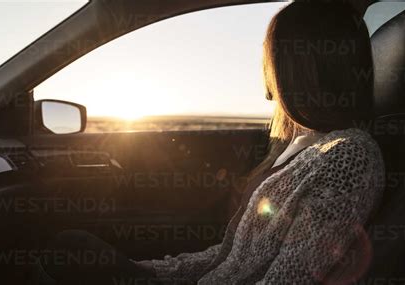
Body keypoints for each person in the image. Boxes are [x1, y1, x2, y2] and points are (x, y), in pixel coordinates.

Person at [35, 2, 385, 284]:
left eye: (272, 67)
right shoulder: (308, 147)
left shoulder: (348, 157)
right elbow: (231, 258)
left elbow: (290, 277)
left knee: (68, 253)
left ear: (302, 70)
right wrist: (152, 271)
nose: (268, 90)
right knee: (72, 248)